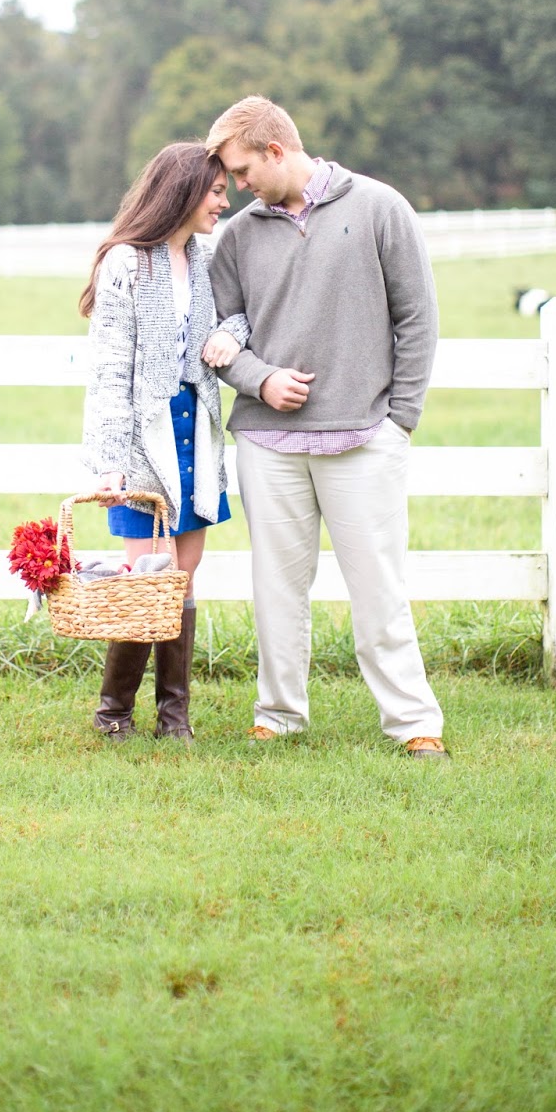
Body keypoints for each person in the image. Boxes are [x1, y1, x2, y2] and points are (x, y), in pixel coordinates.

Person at [205, 96, 449, 758]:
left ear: (276, 151)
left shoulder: (378, 208)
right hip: (267, 444)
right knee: (277, 589)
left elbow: (416, 318)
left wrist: (399, 420)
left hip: (364, 437)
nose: (236, 188)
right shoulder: (237, 238)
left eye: (242, 170)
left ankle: (412, 722)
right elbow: (220, 335)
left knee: (377, 587)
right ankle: (278, 714)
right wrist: (260, 379)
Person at [78, 142, 246, 743]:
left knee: (184, 574)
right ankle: (113, 713)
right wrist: (105, 463)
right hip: (140, 438)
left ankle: (174, 716)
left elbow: (240, 314)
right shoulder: (127, 262)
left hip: (196, 428)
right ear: (182, 191)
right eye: (216, 191)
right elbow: (108, 371)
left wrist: (231, 335)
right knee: (146, 572)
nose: (224, 202)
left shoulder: (203, 258)